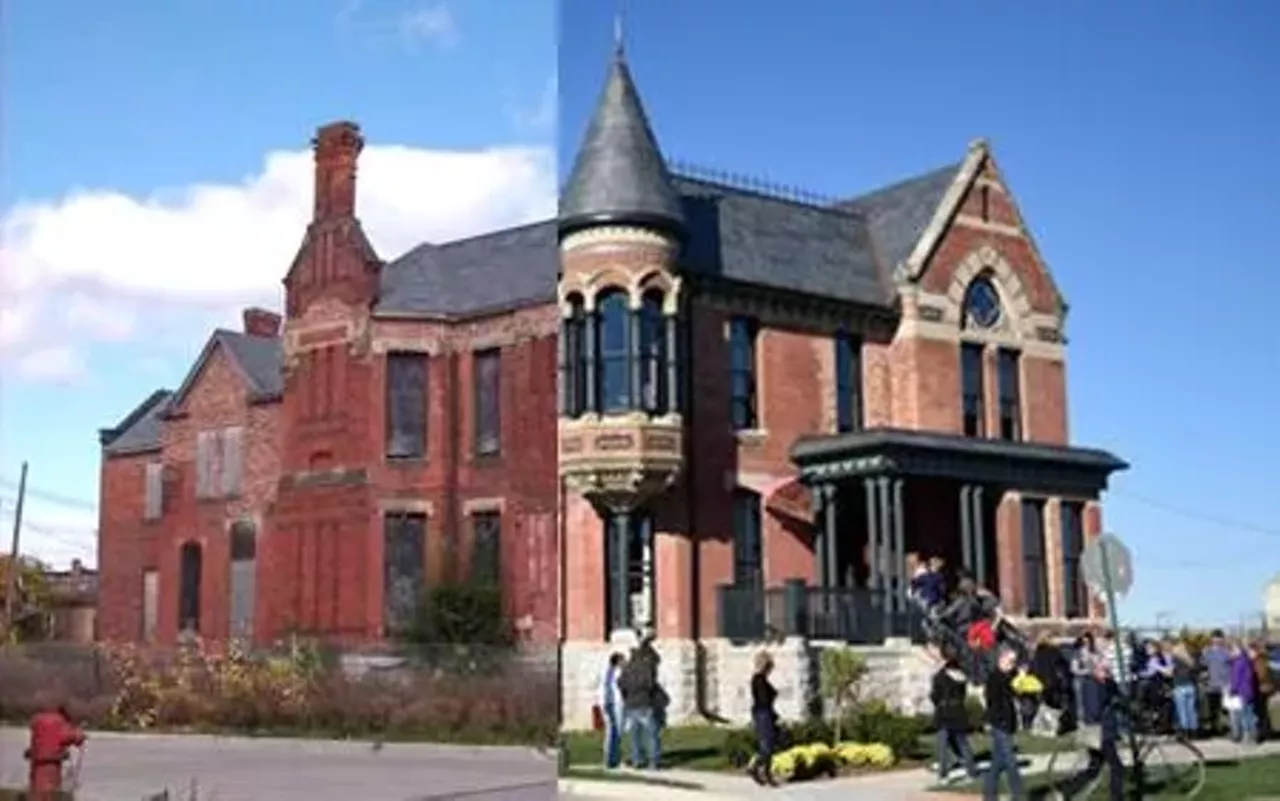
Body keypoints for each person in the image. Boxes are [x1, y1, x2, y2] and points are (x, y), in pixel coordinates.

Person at [1057, 658, 1125, 801]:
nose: (1107, 673)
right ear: (1095, 670)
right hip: (1100, 732)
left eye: (1108, 670)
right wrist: (1110, 704)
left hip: (1101, 731)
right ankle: (1116, 798)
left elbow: (1119, 697)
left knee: (1094, 768)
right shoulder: (1092, 685)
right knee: (1117, 767)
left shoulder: (1104, 683)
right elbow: (1094, 711)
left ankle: (1067, 791)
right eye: (1104, 670)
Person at [930, 648, 979, 784]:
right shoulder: (961, 677)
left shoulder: (940, 677)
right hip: (959, 711)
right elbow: (963, 695)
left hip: (944, 712)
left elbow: (935, 695)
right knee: (963, 744)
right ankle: (972, 772)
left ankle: (943, 775)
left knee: (942, 745)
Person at [983, 646, 1025, 801]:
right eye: (1010, 661)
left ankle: (989, 795)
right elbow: (992, 701)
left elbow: (1014, 695)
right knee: (1011, 762)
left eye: (1014, 662)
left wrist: (1019, 680)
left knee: (997, 763)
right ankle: (1018, 796)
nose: (1012, 664)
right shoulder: (995, 677)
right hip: (999, 723)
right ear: (1001, 660)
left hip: (1007, 722)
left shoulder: (1008, 677)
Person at [617, 639, 662, 769]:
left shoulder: (627, 668)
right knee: (652, 734)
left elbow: (621, 683)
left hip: (630, 704)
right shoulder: (645, 666)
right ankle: (653, 761)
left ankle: (637, 760)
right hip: (644, 702)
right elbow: (650, 684)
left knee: (635, 735)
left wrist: (627, 694)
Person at [748, 651, 780, 787]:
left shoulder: (760, 679)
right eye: (770, 666)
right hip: (763, 713)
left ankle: (764, 772)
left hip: (764, 712)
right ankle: (758, 769)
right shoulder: (759, 680)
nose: (771, 669)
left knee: (769, 744)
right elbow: (763, 699)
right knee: (767, 744)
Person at [1199, 630, 1231, 736]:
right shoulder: (1207, 651)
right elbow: (1202, 665)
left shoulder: (1227, 651)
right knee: (1212, 708)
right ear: (1211, 639)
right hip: (1211, 685)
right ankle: (1214, 728)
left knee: (1225, 709)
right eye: (1215, 637)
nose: (1217, 640)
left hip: (1224, 685)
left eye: (1219, 637)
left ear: (1222, 639)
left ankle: (1225, 728)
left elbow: (1231, 666)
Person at [1227, 640, 1258, 744]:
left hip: (1241, 692)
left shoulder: (1238, 663)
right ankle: (1254, 736)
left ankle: (1246, 736)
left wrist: (1232, 690)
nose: (1231, 652)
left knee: (1244, 715)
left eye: (1233, 650)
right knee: (1250, 714)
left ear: (1239, 651)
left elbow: (1235, 679)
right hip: (1250, 691)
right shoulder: (1248, 662)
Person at [599, 652, 626, 769]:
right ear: (617, 662)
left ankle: (614, 758)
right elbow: (605, 688)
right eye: (622, 660)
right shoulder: (611, 672)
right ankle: (609, 760)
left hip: (614, 703)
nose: (624, 662)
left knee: (617, 732)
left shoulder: (612, 672)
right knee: (612, 731)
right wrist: (604, 703)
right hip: (611, 704)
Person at [1169, 642, 1200, 739]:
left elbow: (1170, 672)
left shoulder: (1175, 660)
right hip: (1190, 686)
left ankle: (1185, 732)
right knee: (1191, 710)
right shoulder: (1190, 661)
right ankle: (1194, 731)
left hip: (1180, 686)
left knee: (1182, 711)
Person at [1248, 640, 1274, 742]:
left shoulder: (1258, 660)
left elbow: (1261, 675)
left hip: (1261, 688)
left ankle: (1262, 733)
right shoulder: (1263, 658)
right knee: (1263, 711)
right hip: (1265, 687)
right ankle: (1265, 731)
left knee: (1260, 712)